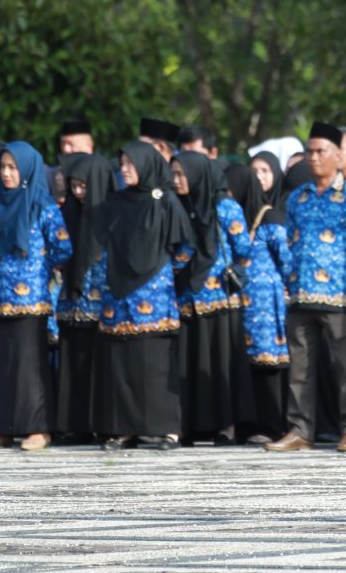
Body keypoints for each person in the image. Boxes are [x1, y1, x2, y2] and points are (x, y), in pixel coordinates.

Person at [265, 122, 346, 453]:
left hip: (340, 295)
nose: (312, 158)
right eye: (309, 151)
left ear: (338, 155)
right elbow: (289, 242)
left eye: (320, 152)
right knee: (299, 368)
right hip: (300, 295)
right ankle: (300, 429)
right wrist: (290, 276)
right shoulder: (297, 198)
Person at [93, 141, 194, 450]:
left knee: (155, 363)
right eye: (121, 164)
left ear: (146, 164)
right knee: (122, 362)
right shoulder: (116, 202)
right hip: (119, 294)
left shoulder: (165, 201)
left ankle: (167, 430)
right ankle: (126, 429)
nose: (124, 170)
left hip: (154, 294)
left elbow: (185, 246)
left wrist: (163, 272)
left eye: (130, 164)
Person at [0, 143, 72, 450]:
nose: (7, 174)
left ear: (27, 169)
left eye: (13, 168)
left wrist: (39, 266)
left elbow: (63, 248)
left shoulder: (43, 206)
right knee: (2, 365)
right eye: (3, 168)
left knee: (29, 366)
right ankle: (3, 429)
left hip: (30, 299)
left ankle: (39, 428)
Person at [172, 152, 251, 443]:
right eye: (174, 175)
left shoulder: (225, 207)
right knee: (190, 362)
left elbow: (243, 248)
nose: (177, 181)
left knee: (221, 362)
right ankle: (189, 425)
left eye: (181, 174)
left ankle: (226, 426)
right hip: (187, 298)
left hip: (220, 297)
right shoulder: (178, 206)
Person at [226, 163, 292, 441]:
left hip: (266, 302)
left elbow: (286, 259)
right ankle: (248, 424)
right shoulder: (235, 216)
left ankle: (271, 424)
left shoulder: (270, 216)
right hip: (242, 300)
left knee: (268, 361)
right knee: (246, 361)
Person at [56, 153, 114, 441]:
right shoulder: (69, 212)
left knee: (98, 365)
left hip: (101, 304)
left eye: (84, 186)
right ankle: (75, 424)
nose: (78, 193)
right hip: (72, 303)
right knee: (74, 363)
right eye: (74, 186)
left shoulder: (113, 214)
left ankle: (100, 425)